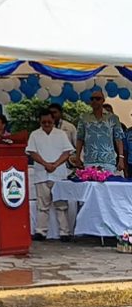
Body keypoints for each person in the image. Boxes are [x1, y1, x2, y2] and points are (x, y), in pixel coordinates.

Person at [26, 110, 74, 242]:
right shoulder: (35, 135)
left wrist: (55, 164)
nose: (46, 124)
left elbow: (67, 152)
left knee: (61, 205)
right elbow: (32, 152)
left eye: (49, 122)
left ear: (54, 121)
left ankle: (65, 232)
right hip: (41, 174)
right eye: (44, 122)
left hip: (58, 174)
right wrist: (45, 164)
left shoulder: (61, 134)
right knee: (42, 205)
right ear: (40, 122)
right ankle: (40, 232)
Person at [73, 90, 125, 174]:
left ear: (103, 100)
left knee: (108, 186)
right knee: (91, 186)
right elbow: (80, 138)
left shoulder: (113, 118)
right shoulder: (84, 118)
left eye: (97, 98)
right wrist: (77, 157)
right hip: (89, 160)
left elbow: (118, 139)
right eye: (92, 99)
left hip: (108, 161)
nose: (94, 101)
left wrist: (121, 158)